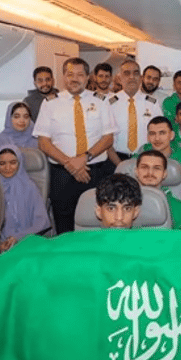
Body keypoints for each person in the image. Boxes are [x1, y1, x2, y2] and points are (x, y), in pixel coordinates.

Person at [34, 57, 117, 234]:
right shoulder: (49, 103)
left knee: (97, 221)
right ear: (63, 77)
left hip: (94, 171)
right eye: (70, 74)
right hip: (62, 173)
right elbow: (43, 142)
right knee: (64, 223)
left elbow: (108, 138)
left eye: (80, 75)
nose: (74, 79)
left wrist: (83, 158)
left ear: (88, 77)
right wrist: (70, 163)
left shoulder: (101, 101)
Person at [0, 144, 50, 251]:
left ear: (20, 163)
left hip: (27, 242)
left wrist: (18, 237)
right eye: (2, 163)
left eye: (13, 162)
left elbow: (42, 221)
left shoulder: (29, 187)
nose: (8, 168)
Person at [107, 60, 161, 163]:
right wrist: (119, 164)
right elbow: (105, 138)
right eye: (127, 73)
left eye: (135, 73)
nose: (131, 77)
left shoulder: (152, 103)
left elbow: (158, 134)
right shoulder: (109, 104)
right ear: (119, 78)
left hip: (145, 159)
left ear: (140, 78)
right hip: (115, 159)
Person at [141, 116, 181, 196]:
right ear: (148, 137)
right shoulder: (139, 159)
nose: (157, 138)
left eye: (162, 133)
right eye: (152, 134)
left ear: (171, 135)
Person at [135, 150, 181, 229]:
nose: (150, 173)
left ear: (164, 174)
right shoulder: (123, 204)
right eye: (144, 167)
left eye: (157, 168)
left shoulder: (179, 208)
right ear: (136, 171)